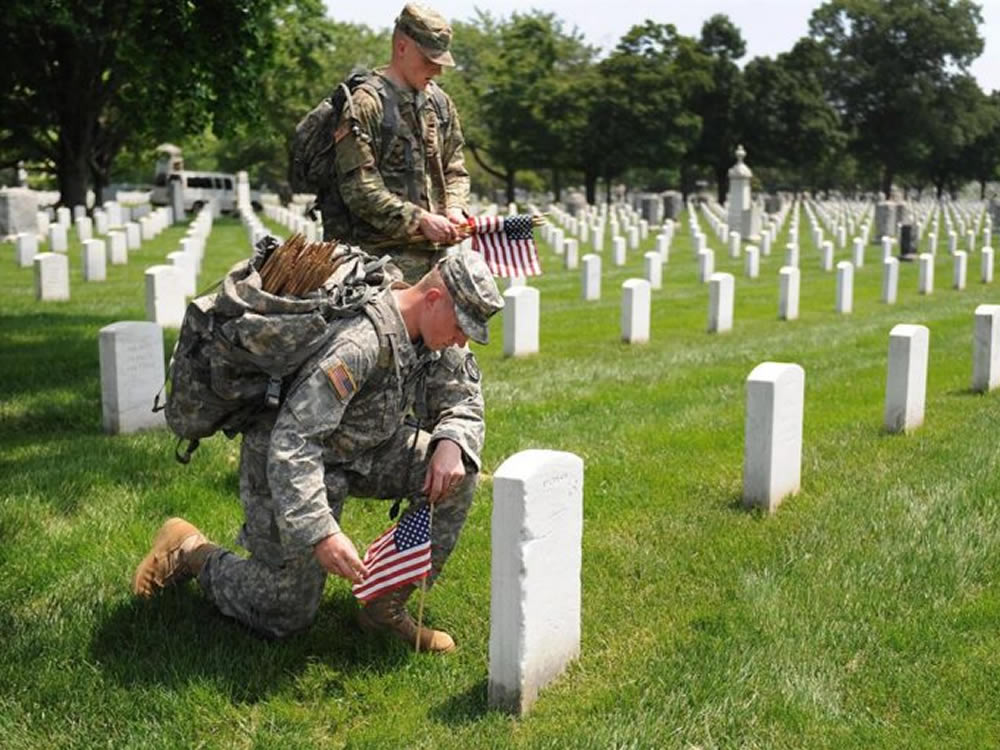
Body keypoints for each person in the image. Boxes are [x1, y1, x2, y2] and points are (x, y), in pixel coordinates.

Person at [133, 250, 503, 653]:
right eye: (461, 325)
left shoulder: (435, 336)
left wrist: (452, 439)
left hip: (365, 450)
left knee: (458, 472)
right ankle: (190, 551)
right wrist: (321, 532)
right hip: (290, 461)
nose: (462, 339)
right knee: (285, 614)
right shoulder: (360, 344)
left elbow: (463, 399)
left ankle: (384, 602)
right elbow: (293, 442)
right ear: (433, 299)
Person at [332, 3, 470, 283]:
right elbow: (359, 187)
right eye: (430, 59)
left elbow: (454, 167)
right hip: (379, 267)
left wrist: (454, 208)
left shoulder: (440, 103)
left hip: (436, 262)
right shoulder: (366, 104)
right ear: (402, 47)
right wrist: (419, 219)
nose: (438, 71)